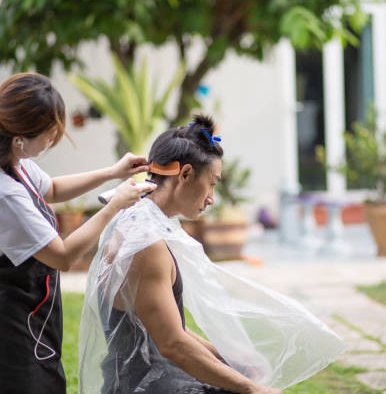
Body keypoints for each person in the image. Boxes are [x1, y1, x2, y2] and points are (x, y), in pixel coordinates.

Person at [78, 115, 346, 394]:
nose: (211, 198)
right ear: (185, 175)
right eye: (212, 183)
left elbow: (165, 325)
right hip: (146, 387)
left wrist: (224, 356)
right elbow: (172, 344)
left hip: (150, 378)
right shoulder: (147, 244)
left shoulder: (138, 221)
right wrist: (251, 388)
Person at [0, 72, 156, 394]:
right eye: (50, 134)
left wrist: (113, 172)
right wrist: (113, 207)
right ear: (20, 137)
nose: (53, 141)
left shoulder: (10, 159)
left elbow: (51, 188)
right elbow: (62, 256)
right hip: (2, 325)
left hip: (26, 313)